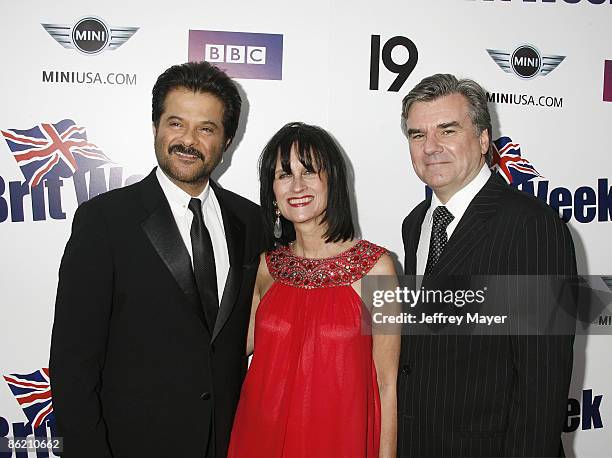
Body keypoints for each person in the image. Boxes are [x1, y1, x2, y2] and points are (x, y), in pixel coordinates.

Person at [49, 61, 265, 458]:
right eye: (176, 123)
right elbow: (72, 366)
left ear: (228, 140)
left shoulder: (251, 221)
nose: (188, 140)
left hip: (229, 443)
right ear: (155, 127)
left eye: (206, 128)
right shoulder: (105, 221)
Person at [397, 74, 577, 457]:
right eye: (417, 135)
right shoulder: (415, 223)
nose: (430, 147)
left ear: (482, 140)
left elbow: (542, 379)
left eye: (447, 131)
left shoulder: (532, 226)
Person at [227, 122, 400, 457]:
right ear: (272, 191)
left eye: (309, 171)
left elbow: (387, 383)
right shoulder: (266, 266)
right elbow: (230, 349)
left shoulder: (378, 268)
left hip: (339, 440)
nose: (297, 185)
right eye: (283, 174)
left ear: (332, 180)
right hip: (260, 437)